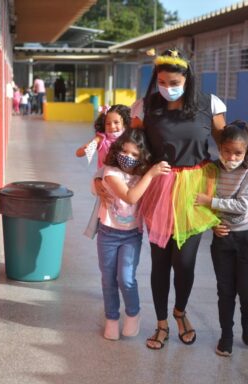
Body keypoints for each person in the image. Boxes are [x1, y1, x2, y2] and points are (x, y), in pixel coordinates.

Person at [96, 48, 227, 350]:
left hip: (194, 191)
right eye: (163, 81)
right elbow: (128, 149)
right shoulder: (145, 107)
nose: (168, 87)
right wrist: (101, 177)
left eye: (174, 81)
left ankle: (180, 311)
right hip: (158, 187)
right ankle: (161, 323)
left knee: (185, 263)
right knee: (160, 263)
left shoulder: (211, 104)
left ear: (187, 78)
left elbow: (230, 149)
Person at [195, 120, 248, 357]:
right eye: (227, 151)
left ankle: (247, 319)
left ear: (246, 151)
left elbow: (243, 206)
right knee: (225, 290)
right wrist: (213, 223)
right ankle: (226, 335)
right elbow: (198, 203)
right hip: (223, 239)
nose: (232, 157)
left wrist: (210, 202)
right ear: (220, 148)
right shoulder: (212, 170)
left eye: (238, 153)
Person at [96, 128, 171, 340]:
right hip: (107, 233)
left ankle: (133, 313)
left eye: (135, 155)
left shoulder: (142, 174)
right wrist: (151, 173)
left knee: (126, 278)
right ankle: (111, 318)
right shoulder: (111, 171)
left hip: (131, 236)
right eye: (125, 151)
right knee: (108, 278)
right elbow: (130, 197)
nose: (128, 157)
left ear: (142, 156)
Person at [76, 104, 129, 169]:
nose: (112, 126)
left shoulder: (128, 138)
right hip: (103, 177)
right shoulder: (101, 139)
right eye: (108, 123)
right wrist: (87, 149)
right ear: (103, 125)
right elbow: (79, 153)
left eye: (116, 122)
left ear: (124, 123)